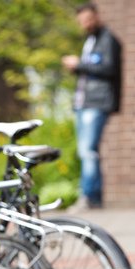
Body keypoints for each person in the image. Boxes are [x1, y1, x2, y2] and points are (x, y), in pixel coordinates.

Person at [62, 2, 121, 209]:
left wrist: (79, 64)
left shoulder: (108, 39)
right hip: (84, 102)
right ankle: (94, 198)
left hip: (97, 102)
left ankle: (87, 196)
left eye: (88, 19)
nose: (85, 24)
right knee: (87, 151)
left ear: (96, 16)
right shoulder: (90, 40)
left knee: (87, 150)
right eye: (81, 21)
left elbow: (109, 68)